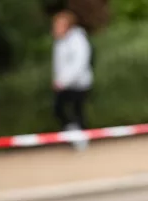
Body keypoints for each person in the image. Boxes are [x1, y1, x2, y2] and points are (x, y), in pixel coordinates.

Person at [52, 10, 93, 150]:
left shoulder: (77, 40)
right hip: (64, 84)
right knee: (59, 109)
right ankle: (73, 134)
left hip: (79, 83)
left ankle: (81, 139)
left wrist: (63, 81)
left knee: (77, 111)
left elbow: (79, 63)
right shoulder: (60, 41)